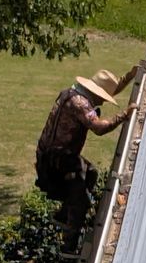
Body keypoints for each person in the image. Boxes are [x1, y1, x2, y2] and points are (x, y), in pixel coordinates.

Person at [35, 68, 133, 249]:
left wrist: (129, 78)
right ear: (96, 93)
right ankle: (69, 244)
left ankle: (64, 214)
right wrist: (124, 115)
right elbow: (99, 128)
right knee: (80, 200)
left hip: (52, 153)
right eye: (103, 97)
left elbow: (111, 88)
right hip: (57, 160)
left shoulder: (70, 93)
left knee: (91, 173)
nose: (103, 101)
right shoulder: (81, 104)